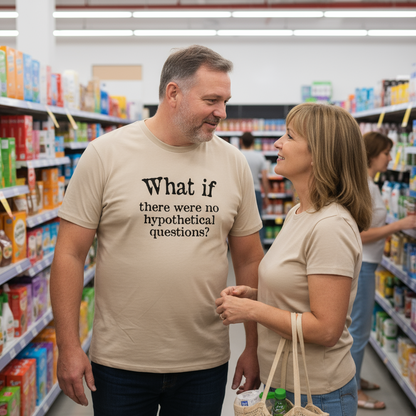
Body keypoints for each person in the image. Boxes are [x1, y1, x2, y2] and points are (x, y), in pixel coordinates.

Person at [50, 44, 264, 416]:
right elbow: (69, 253)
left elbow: (249, 259)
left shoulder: (234, 163)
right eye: (212, 100)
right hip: (119, 364)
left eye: (226, 101)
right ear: (173, 93)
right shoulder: (105, 154)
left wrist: (253, 345)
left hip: (205, 362)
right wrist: (67, 346)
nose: (222, 113)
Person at [216, 103, 373, 416]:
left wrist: (252, 309)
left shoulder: (331, 226)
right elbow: (302, 295)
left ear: (317, 153)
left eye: (289, 136)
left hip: (318, 394)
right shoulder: (298, 214)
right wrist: (257, 294)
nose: (277, 143)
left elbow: (327, 329)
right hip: (282, 383)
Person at [348, 131, 416, 410]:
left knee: (358, 329)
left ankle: (356, 378)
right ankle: (352, 392)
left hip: (368, 264)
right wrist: (399, 226)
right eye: (387, 152)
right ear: (373, 155)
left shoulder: (370, 184)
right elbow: (356, 234)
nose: (391, 157)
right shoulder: (364, 186)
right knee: (359, 331)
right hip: (361, 264)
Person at [240, 132, 270, 244]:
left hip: (240, 191)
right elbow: (265, 179)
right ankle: (259, 247)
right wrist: (266, 196)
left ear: (241, 142)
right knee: (257, 220)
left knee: (238, 221)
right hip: (255, 191)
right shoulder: (260, 157)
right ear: (253, 143)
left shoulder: (237, 154)